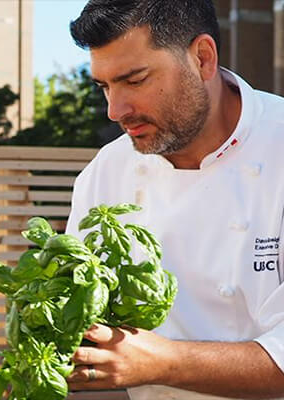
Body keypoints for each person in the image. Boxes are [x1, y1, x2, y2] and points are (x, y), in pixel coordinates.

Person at [64, 1, 284, 399]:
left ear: (202, 58)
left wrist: (167, 363)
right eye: (105, 86)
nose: (115, 110)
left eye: (135, 80)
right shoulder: (105, 173)